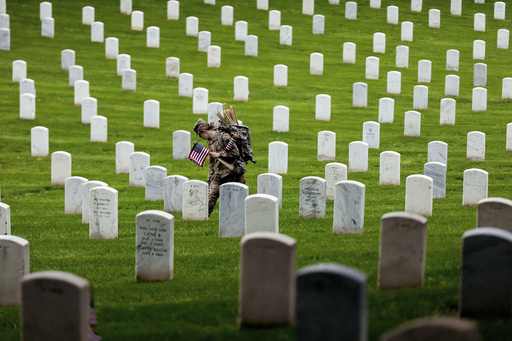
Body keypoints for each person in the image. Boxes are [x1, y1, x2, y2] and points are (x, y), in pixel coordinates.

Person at [193, 118, 246, 216]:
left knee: (240, 197)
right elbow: (212, 162)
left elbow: (235, 153)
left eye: (200, 135)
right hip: (219, 172)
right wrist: (209, 178)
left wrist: (220, 154)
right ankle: (202, 217)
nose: (201, 137)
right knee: (212, 194)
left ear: (203, 131)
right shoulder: (210, 141)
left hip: (233, 171)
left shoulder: (224, 136)